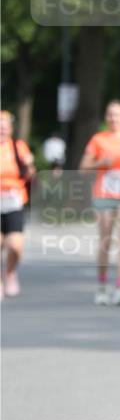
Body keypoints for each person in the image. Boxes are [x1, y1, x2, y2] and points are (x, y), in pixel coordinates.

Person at [79, 101, 120, 305]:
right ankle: (102, 286)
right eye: (110, 115)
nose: (113, 118)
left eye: (117, 115)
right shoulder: (98, 140)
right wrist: (100, 163)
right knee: (106, 240)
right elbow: (83, 168)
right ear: (106, 118)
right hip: (104, 194)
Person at [0, 110, 35, 299]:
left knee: (15, 246)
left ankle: (11, 272)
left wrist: (29, 165)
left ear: (11, 129)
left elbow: (30, 174)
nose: (2, 129)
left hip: (14, 200)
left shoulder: (18, 147)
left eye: (5, 126)